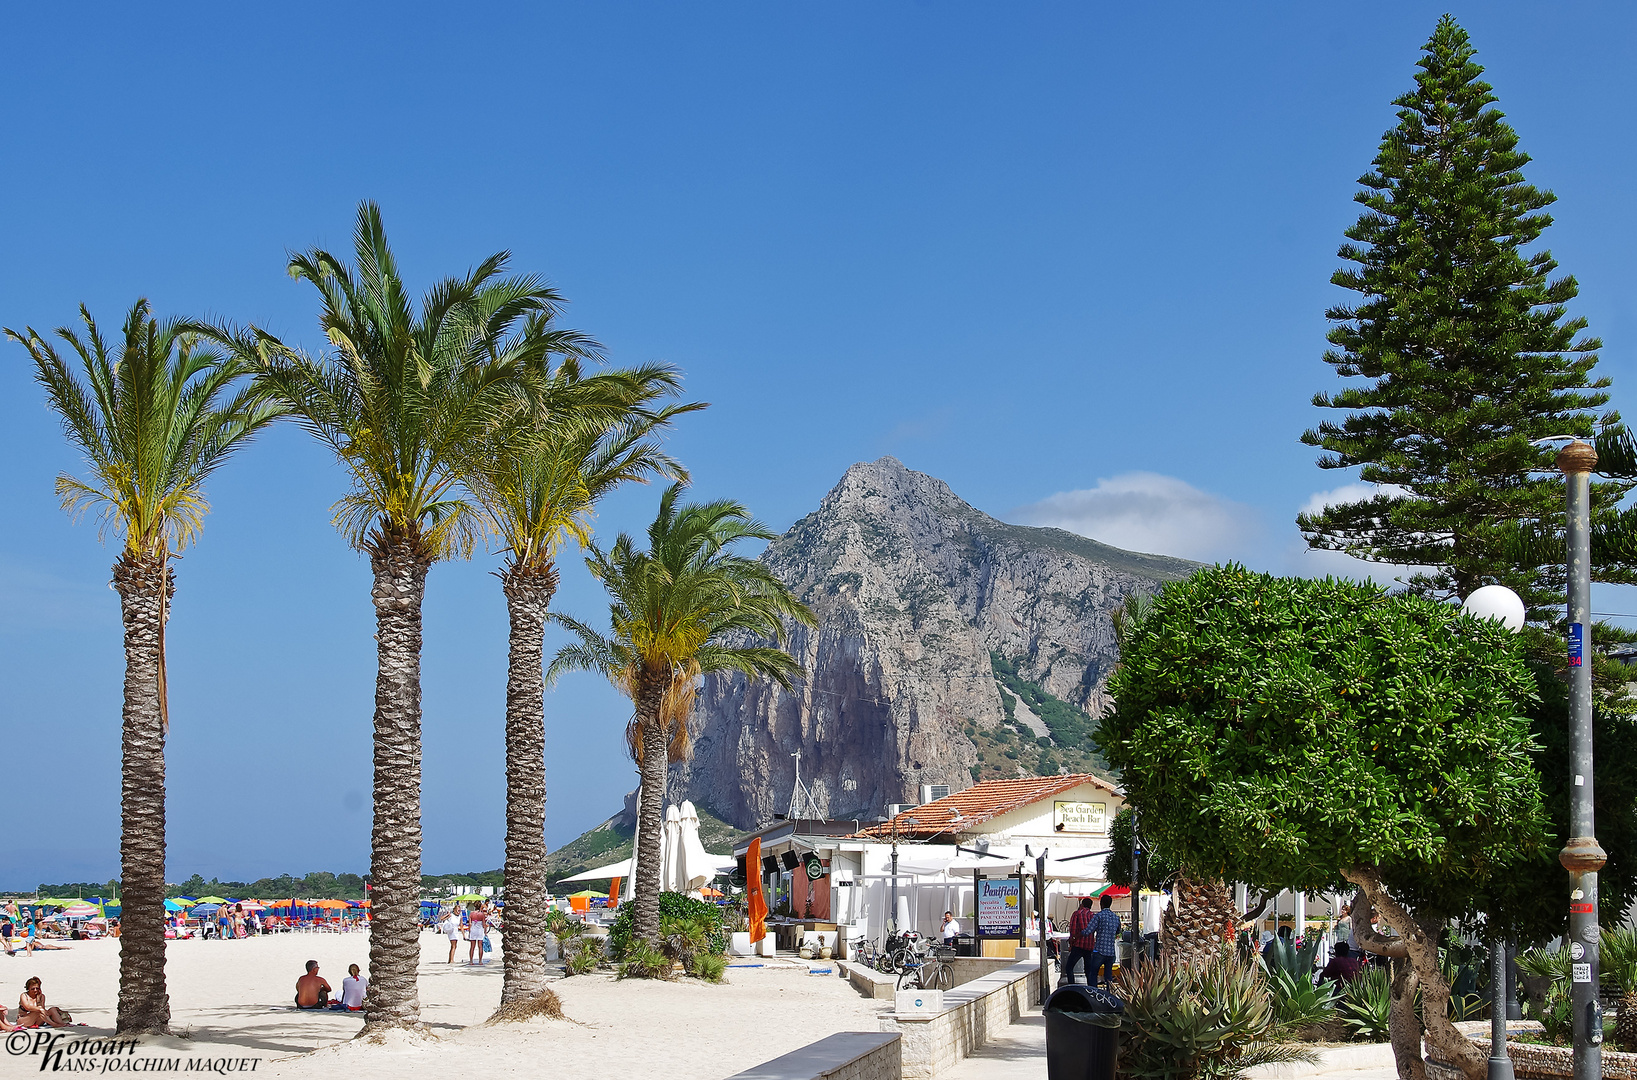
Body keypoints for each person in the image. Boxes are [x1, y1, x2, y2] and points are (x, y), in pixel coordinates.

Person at [1086, 895, 1122, 989]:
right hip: (1110, 951)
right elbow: (1118, 931)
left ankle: (1094, 993)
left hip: (1099, 950)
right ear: (1111, 904)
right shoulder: (1116, 918)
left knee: (1093, 973)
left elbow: (1088, 931)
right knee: (1108, 976)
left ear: (1101, 903)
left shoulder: (1098, 916)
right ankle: (1108, 994)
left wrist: (1079, 933)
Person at [1062, 897, 1097, 986]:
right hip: (1089, 947)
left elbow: (1073, 930)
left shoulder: (1077, 914)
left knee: (1069, 967)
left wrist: (1071, 943)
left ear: (1082, 904)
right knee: (1088, 971)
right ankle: (1091, 989)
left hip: (1078, 945)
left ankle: (1072, 987)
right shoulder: (1093, 915)